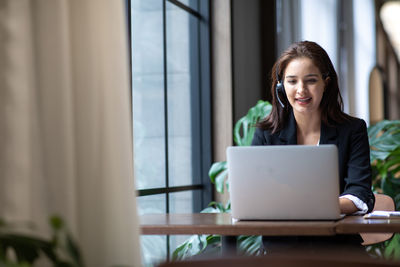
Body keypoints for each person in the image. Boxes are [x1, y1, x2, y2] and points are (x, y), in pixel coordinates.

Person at [251, 40, 375, 253]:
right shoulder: (266, 133)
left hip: (339, 249)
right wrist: (320, 205)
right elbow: (255, 193)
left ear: (325, 83)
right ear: (281, 86)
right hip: (281, 252)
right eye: (292, 81)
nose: (301, 90)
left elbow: (359, 192)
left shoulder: (352, 130)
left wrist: (304, 206)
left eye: (310, 81)